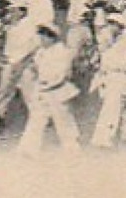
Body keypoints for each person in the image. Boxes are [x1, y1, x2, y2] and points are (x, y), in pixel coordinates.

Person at [18, 24, 80, 153]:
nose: (41, 40)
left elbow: (62, 73)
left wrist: (50, 84)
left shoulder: (62, 51)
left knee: (63, 120)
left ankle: (72, 148)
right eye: (40, 37)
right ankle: (28, 149)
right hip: (43, 90)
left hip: (57, 90)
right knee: (36, 119)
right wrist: (33, 71)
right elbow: (36, 67)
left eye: (44, 37)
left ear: (52, 38)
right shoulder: (41, 51)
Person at [90, 14, 126, 147]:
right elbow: (102, 56)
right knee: (116, 107)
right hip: (108, 76)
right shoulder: (109, 40)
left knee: (110, 108)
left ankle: (104, 138)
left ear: (120, 26)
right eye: (109, 23)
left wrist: (110, 64)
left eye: (113, 24)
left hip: (120, 78)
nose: (110, 26)